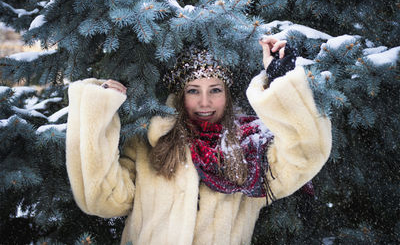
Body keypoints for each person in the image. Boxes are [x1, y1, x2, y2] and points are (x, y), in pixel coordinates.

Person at [66, 37, 332, 245]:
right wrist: (98, 111)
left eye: (215, 90)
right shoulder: (148, 144)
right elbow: (102, 199)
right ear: (181, 96)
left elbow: (305, 155)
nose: (204, 102)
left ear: (227, 95)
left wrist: (280, 79)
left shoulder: (251, 151)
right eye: (194, 91)